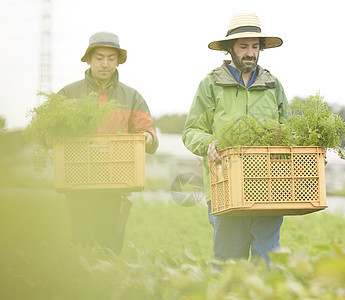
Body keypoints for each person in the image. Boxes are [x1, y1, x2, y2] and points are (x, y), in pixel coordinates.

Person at [182, 13, 290, 263]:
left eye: (255, 46)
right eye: (243, 47)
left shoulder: (274, 85)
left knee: (268, 255)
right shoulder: (211, 84)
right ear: (230, 48)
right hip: (225, 183)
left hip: (268, 184)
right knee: (229, 259)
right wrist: (209, 143)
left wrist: (292, 141)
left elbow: (288, 129)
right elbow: (191, 131)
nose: (250, 53)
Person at [58, 31, 159, 254]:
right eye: (99, 58)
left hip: (117, 184)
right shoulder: (68, 93)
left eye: (111, 59)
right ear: (89, 59)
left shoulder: (131, 96)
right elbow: (46, 134)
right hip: (78, 182)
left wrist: (148, 138)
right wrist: (56, 135)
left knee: (111, 247)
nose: (105, 64)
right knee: (81, 245)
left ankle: (110, 284)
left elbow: (148, 133)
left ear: (118, 61)